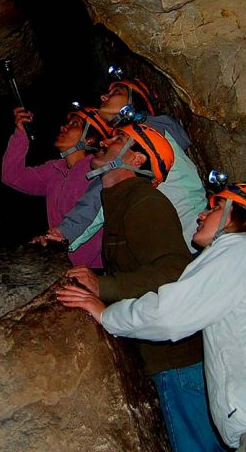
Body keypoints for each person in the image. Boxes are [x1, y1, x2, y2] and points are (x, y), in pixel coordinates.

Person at [57, 180, 246, 451]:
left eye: (216, 207)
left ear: (241, 217)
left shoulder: (241, 249)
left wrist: (106, 314)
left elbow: (171, 313)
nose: (201, 214)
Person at [64, 125, 225, 452]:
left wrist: (102, 286)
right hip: (166, 362)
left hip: (179, 364)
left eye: (119, 139)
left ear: (136, 158)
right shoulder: (121, 203)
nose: (105, 140)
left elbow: (173, 271)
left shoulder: (145, 202)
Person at [45, 73, 209, 265]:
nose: (103, 97)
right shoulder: (152, 134)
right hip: (182, 245)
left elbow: (102, 194)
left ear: (135, 102)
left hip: (184, 247)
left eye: (116, 92)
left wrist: (63, 234)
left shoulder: (143, 136)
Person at [0, 104, 113, 267]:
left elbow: (88, 218)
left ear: (89, 139)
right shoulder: (54, 169)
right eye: (68, 123)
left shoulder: (99, 174)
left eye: (75, 124)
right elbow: (12, 175)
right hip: (60, 261)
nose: (63, 127)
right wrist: (21, 133)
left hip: (92, 269)